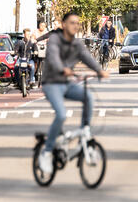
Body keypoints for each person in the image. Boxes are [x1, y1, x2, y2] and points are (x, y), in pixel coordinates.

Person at [36, 11, 108, 176]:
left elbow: (87, 57)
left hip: (67, 84)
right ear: (63, 25)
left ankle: (85, 130)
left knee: (88, 96)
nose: (75, 26)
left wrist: (99, 71)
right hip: (52, 84)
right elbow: (53, 58)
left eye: (77, 23)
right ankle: (46, 152)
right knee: (61, 115)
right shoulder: (55, 39)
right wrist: (63, 69)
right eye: (71, 23)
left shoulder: (77, 44)